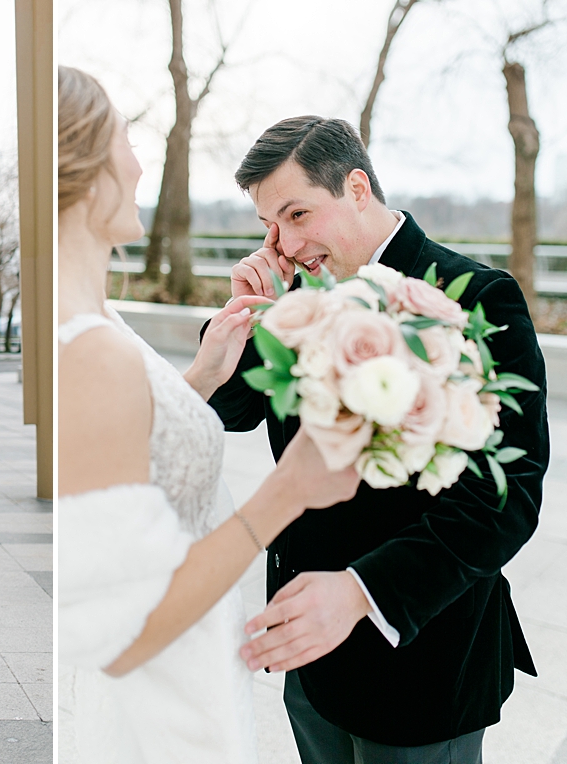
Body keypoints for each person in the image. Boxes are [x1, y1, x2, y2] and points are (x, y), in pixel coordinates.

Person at [208, 116, 549, 762]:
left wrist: (363, 592)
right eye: (269, 226)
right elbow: (231, 408)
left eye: (298, 214)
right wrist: (245, 320)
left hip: (421, 661)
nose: (283, 242)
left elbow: (507, 497)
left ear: (357, 187)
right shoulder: (293, 300)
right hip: (310, 664)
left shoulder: (478, 299)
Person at [57, 66, 360, 763]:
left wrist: (201, 375)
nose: (138, 162)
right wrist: (288, 491)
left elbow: (128, 439)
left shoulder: (95, 321)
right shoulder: (90, 344)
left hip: (208, 658)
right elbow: (126, 621)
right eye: (125, 140)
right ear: (85, 167)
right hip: (167, 674)